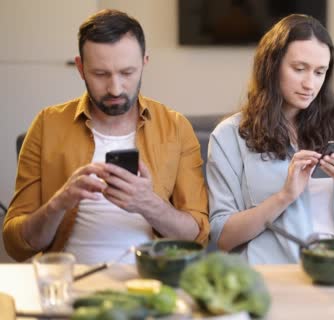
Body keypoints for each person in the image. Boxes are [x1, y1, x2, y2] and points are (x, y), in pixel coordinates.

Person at [2, 9, 209, 263]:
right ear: (80, 67)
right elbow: (15, 244)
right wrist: (59, 203)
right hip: (72, 281)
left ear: (144, 63)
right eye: (100, 74)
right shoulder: (47, 124)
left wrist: (147, 203)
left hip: (152, 281)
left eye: (127, 73)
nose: (115, 88)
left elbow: (198, 236)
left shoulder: (176, 128)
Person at [206, 14, 334, 264]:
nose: (310, 84)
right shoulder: (229, 136)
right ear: (271, 65)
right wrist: (284, 196)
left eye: (320, 72)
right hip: (270, 278)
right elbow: (224, 237)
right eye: (299, 69)